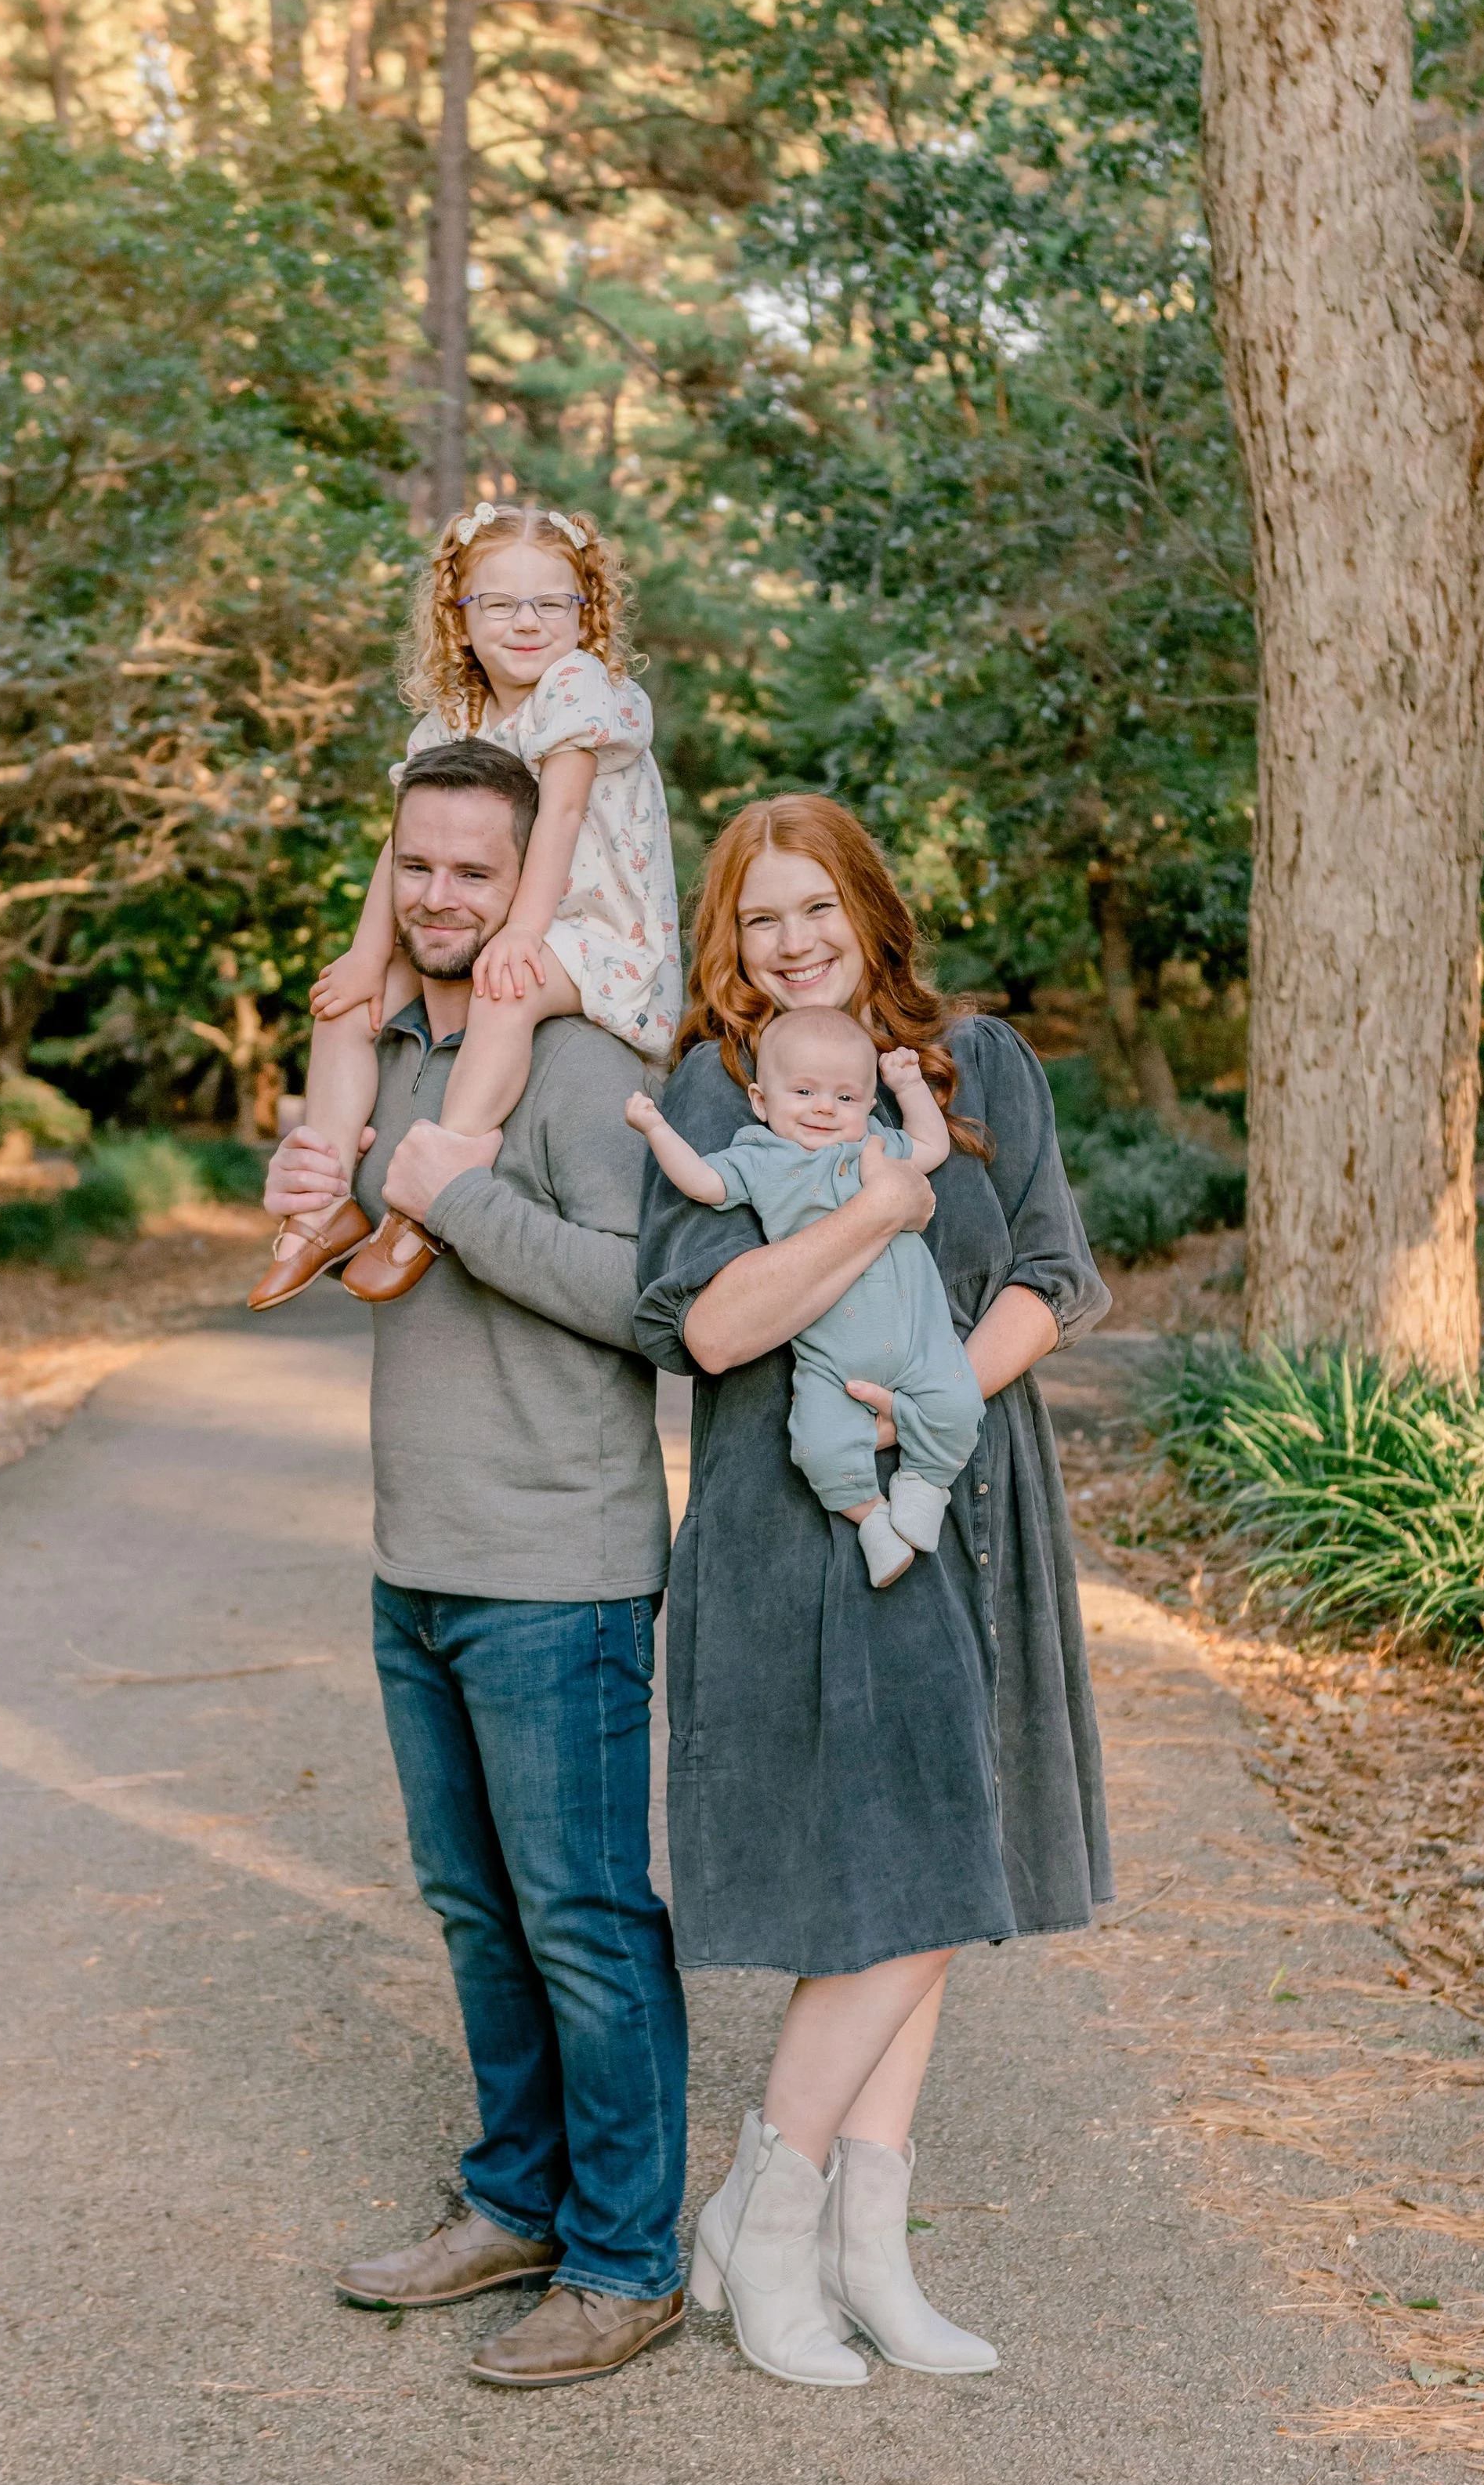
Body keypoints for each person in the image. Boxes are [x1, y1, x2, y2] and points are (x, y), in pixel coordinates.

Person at [633, 793, 1113, 2389]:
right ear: (730, 938)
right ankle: (767, 2228)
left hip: (971, 1500)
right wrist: (874, 1213)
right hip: (801, 1523)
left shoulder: (982, 1066)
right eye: (759, 918)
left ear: (869, 911)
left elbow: (1051, 1272)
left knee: (940, 1880)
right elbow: (706, 1327)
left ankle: (863, 2246)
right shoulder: (719, 1085)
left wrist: (935, 1409)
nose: (789, 943)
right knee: (893, 1877)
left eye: (814, 910)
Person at [261, 737, 687, 2390]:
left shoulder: (579, 1065)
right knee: (475, 1911)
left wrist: (456, 1191)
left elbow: (652, 1303)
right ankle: (516, 2199)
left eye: (476, 873)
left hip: (557, 1568)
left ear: (533, 886)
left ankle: (625, 2258)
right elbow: (354, 1228)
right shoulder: (391, 1050)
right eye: (418, 867)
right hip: (416, 1556)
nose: (442, 898)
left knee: (582, 1919)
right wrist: (336, 1171)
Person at [250, 498, 681, 1312]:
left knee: (502, 990)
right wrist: (365, 953)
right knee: (347, 1002)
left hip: (594, 926)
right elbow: (401, 841)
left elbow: (558, 814)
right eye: (499, 602)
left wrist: (521, 933)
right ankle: (324, 1199)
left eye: (551, 602)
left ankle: (427, 1201)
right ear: (461, 613)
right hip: (516, 914)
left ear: (586, 612)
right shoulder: (458, 714)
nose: (526, 622)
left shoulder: (579, 686)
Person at [626, 1009, 983, 1586]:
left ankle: (925, 1485)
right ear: (761, 1101)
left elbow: (931, 1145)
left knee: (959, 1407)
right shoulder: (758, 1158)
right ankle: (873, 1520)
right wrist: (656, 1129)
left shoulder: (873, 1147)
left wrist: (909, 1086)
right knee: (815, 1445)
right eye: (803, 1091)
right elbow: (699, 1181)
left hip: (919, 1340)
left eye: (845, 1097)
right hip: (828, 1357)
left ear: (867, 1109)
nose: (823, 1107)